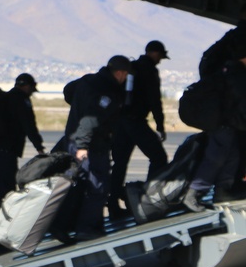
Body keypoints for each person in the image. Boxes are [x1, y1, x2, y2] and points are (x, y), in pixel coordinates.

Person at [60, 56, 130, 239]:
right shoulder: (106, 91)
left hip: (75, 140)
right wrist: (82, 146)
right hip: (90, 145)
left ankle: (76, 226)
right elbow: (90, 120)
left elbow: (68, 91)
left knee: (79, 186)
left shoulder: (89, 80)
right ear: (121, 73)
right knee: (96, 187)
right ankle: (86, 229)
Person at [0, 74, 45, 250]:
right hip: (4, 156)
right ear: (27, 87)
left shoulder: (1, 101)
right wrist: (40, 148)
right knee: (5, 197)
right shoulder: (20, 101)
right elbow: (29, 125)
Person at [108, 41, 169, 218]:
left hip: (120, 121)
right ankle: (148, 198)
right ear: (156, 54)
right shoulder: (149, 70)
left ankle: (113, 206)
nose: (159, 61)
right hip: (135, 122)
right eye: (160, 57)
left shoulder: (131, 68)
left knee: (119, 163)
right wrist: (160, 125)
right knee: (159, 157)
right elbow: (154, 99)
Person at [184, 57, 246, 210]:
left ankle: (223, 191)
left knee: (232, 155)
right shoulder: (236, 74)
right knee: (215, 158)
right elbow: (241, 101)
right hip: (222, 122)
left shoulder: (228, 71)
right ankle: (193, 193)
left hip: (225, 122)